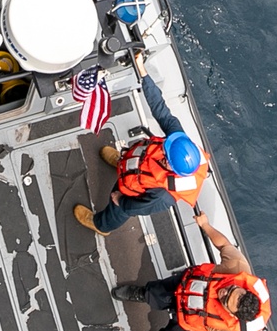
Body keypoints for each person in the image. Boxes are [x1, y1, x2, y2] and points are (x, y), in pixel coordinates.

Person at [74, 52, 209, 235]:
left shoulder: (164, 194)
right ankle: (121, 163)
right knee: (131, 166)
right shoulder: (179, 141)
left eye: (166, 154)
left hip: (134, 188)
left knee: (118, 208)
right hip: (138, 166)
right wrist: (143, 72)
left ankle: (101, 225)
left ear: (171, 166)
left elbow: (140, 208)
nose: (164, 147)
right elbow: (160, 109)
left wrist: (120, 199)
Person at [116, 210, 272, 331]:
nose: (224, 292)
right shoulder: (238, 267)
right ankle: (143, 294)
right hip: (186, 286)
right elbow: (224, 245)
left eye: (225, 299)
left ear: (234, 315)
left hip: (193, 322)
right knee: (156, 291)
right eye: (231, 289)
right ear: (245, 289)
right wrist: (205, 225)